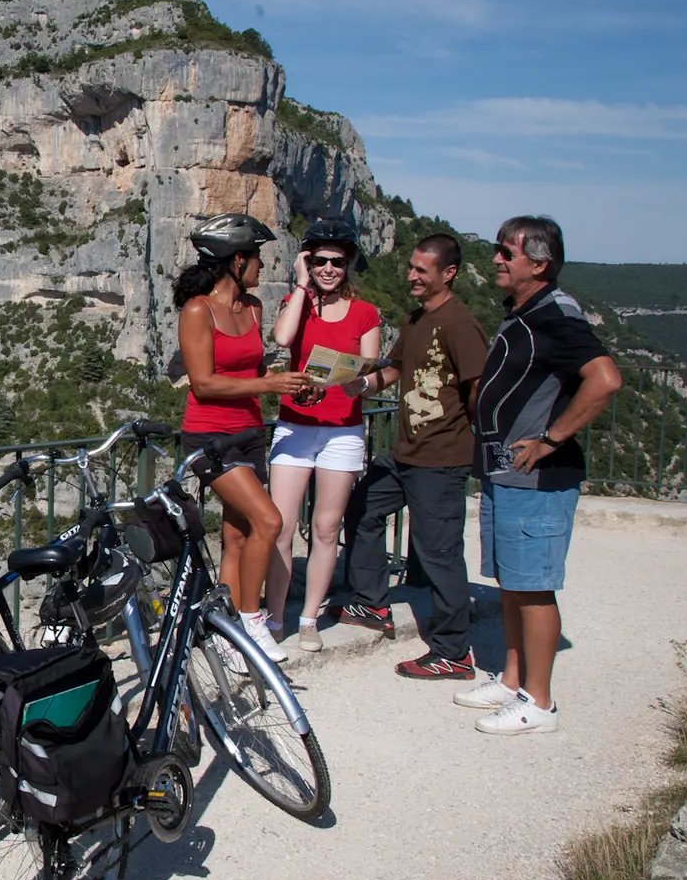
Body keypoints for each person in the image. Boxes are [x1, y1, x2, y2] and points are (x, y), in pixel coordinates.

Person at [457, 216, 622, 735]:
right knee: (512, 582)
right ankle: (511, 680)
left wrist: (552, 438)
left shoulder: (556, 316)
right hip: (504, 476)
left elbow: (605, 379)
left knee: (535, 588)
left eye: (507, 253)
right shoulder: (523, 315)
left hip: (538, 481)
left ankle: (540, 702)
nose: (497, 261)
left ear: (539, 263)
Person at [340, 233, 487, 679]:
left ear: (449, 274)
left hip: (440, 459)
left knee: (438, 552)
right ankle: (371, 603)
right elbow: (396, 367)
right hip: (405, 453)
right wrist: (362, 386)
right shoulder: (417, 318)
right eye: (411, 267)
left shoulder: (460, 324)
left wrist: (472, 434)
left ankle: (453, 652)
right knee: (363, 507)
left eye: (421, 270)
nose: (411, 276)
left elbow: (479, 388)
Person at [174, 212, 315, 664]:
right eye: (256, 256)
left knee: (237, 539)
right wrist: (268, 386)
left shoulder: (251, 309)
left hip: (249, 433)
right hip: (209, 438)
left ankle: (227, 634)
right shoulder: (198, 309)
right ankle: (253, 624)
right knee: (269, 522)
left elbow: (253, 373)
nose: (261, 266)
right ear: (236, 260)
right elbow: (205, 384)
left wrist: (290, 381)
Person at [265, 219, 382, 651]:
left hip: (342, 431)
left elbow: (372, 369)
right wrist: (299, 287)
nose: (328, 268)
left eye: (337, 260)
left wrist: (362, 384)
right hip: (295, 427)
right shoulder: (296, 301)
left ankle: (310, 618)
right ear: (307, 261)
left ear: (348, 263)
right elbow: (281, 338)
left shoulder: (366, 312)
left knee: (327, 527)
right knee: (281, 527)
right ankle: (275, 618)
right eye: (319, 260)